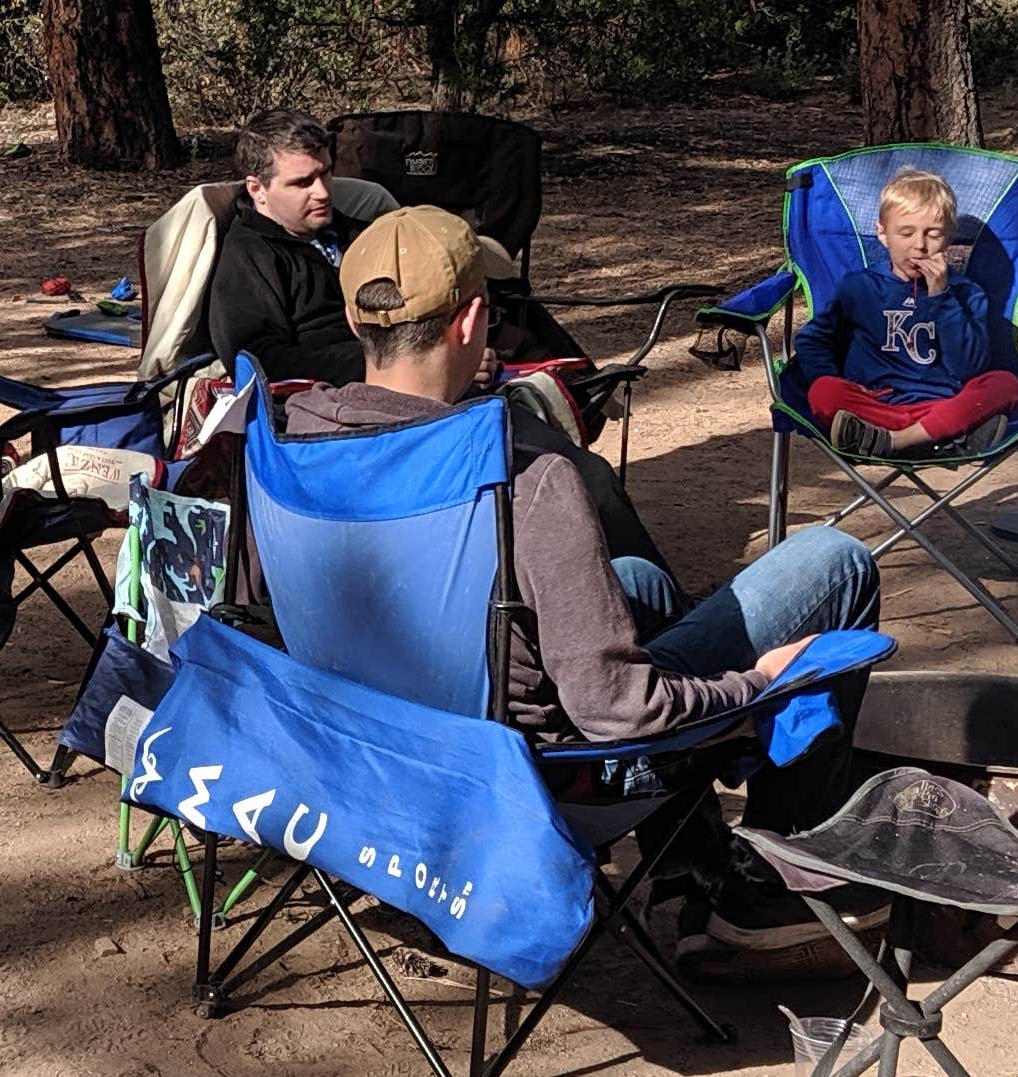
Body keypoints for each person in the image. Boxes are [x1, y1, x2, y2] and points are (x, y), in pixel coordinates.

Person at [283, 206, 879, 759]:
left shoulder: (291, 444)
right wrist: (755, 685)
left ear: (353, 323)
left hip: (373, 747)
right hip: (536, 770)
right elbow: (619, 711)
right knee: (838, 559)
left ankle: (696, 860)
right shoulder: (523, 478)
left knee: (641, 583)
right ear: (470, 321)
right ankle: (784, 845)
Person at [785, 165, 1018, 459]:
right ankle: (951, 436)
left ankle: (899, 440)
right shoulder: (860, 287)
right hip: (876, 406)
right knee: (824, 391)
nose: (920, 246)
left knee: (1004, 384)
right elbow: (812, 340)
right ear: (883, 234)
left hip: (941, 404)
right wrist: (837, 379)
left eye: (933, 234)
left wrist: (942, 296)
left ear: (950, 237)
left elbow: (969, 368)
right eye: (906, 233)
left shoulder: (965, 293)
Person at [202, 110, 367, 388]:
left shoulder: (363, 234)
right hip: (331, 401)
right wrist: (379, 365)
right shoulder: (248, 258)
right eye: (303, 183)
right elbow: (259, 360)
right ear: (257, 190)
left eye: (326, 173)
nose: (323, 192)